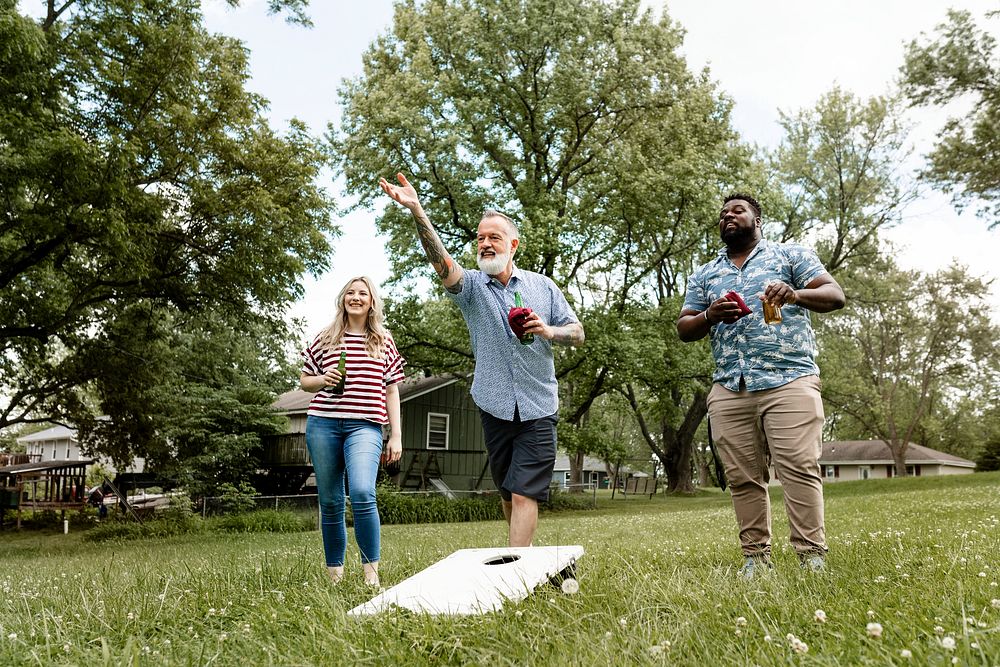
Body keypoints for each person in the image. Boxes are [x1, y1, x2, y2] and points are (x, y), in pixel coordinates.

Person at [379, 173, 584, 548]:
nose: (486, 244)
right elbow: (442, 263)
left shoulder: (543, 287)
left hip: (539, 404)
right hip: (494, 404)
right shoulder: (472, 287)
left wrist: (549, 331)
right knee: (508, 491)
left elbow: (578, 332)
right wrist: (416, 209)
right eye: (480, 238)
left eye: (494, 237)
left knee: (524, 492)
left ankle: (516, 568)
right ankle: (519, 554)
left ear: (513, 245)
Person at [676, 194, 845, 578]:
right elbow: (684, 328)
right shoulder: (705, 273)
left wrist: (795, 293)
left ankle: (811, 555)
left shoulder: (791, 256)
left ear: (757, 218)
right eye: (723, 214)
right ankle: (755, 558)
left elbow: (835, 296)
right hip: (730, 386)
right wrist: (709, 314)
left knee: (798, 467)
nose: (728, 217)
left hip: (789, 379)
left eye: (737, 210)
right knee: (742, 476)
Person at [300, 276, 405, 586]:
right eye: (350, 292)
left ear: (372, 301)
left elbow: (392, 390)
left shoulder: (383, 340)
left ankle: (371, 577)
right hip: (324, 424)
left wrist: (395, 434)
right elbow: (306, 381)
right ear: (342, 299)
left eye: (363, 293)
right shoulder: (326, 337)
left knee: (361, 491)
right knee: (330, 501)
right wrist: (323, 379)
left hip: (366, 425)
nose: (356, 297)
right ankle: (335, 577)